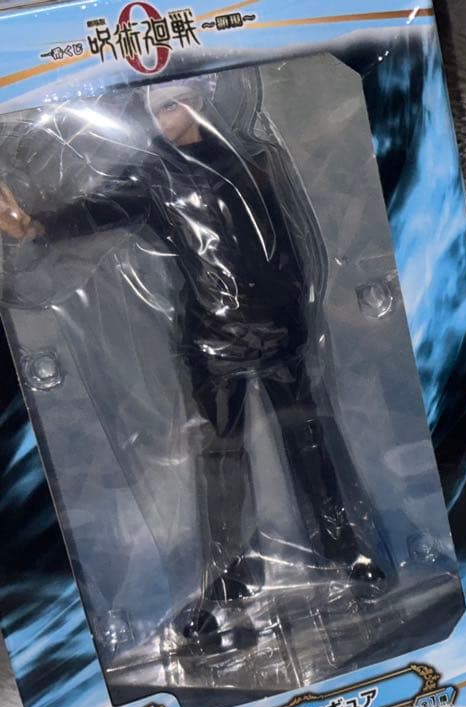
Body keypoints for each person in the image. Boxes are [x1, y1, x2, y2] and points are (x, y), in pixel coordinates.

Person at [0, 80, 387, 649]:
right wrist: (34, 225)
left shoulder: (253, 159)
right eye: (157, 110)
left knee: (308, 442)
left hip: (279, 327)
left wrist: (296, 311)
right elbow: (99, 210)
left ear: (198, 101)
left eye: (172, 105)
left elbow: (288, 241)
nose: (165, 118)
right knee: (222, 462)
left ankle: (343, 549)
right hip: (212, 340)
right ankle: (226, 573)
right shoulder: (153, 175)